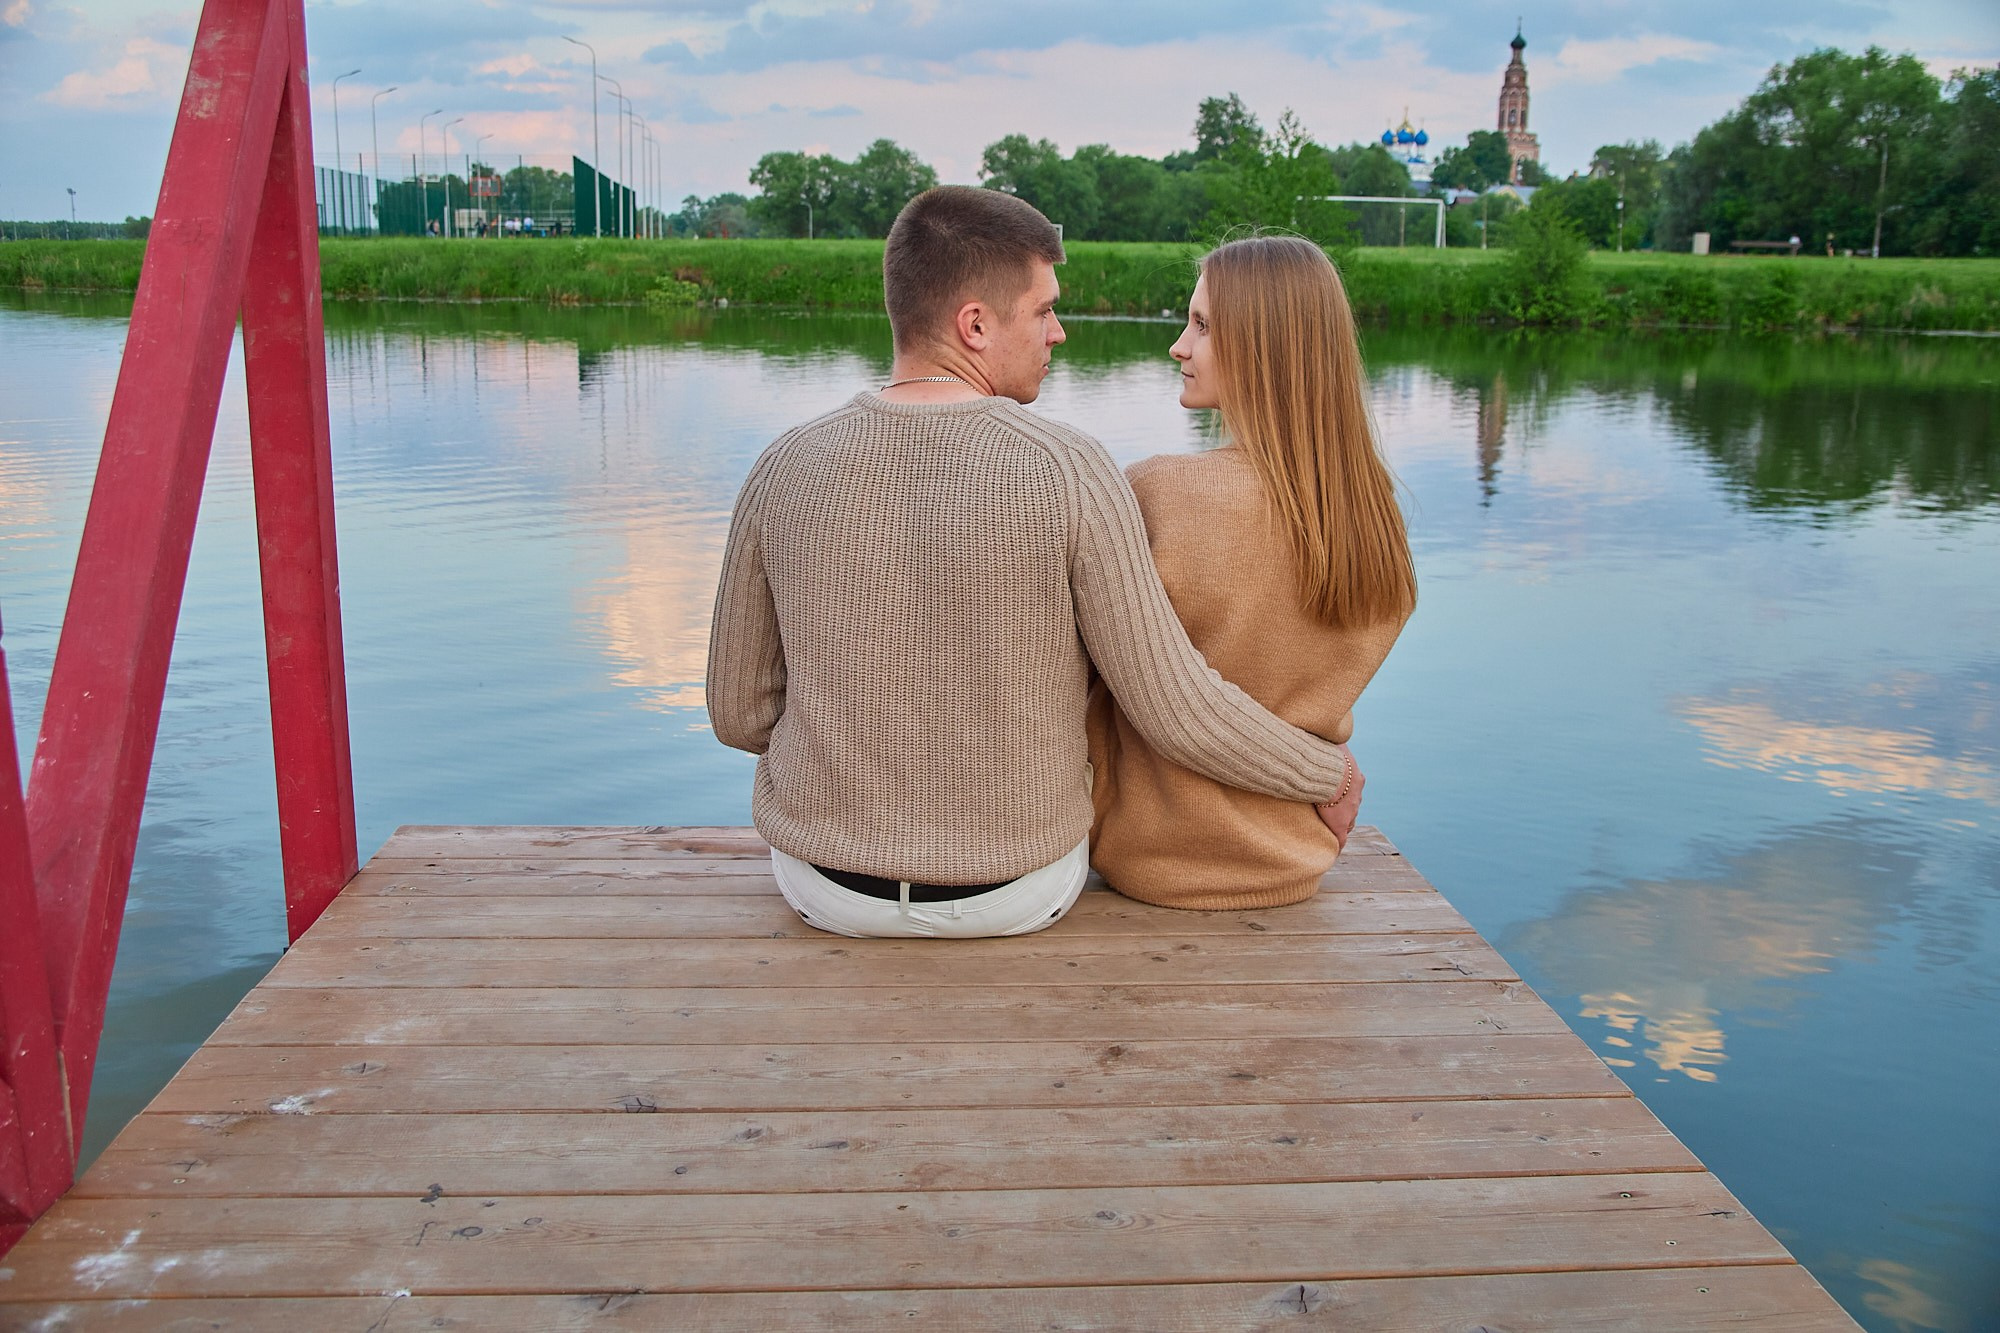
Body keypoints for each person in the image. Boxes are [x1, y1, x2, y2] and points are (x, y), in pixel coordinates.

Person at [706, 189, 1357, 940]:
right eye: (1044, 310)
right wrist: (1327, 774)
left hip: (824, 888)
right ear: (975, 324)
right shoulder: (1072, 469)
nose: (1061, 332)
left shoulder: (783, 466)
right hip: (1017, 892)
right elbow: (1174, 709)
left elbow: (738, 713)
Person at [1086, 235, 1416, 911]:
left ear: (1265, 345)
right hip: (1295, 863)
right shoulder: (1372, 516)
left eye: (1202, 325)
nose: (1179, 345)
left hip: (1149, 861)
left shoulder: (1155, 493)